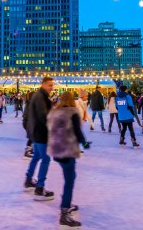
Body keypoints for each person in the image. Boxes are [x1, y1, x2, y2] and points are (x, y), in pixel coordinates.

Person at [47, 92, 91, 227]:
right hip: (67, 151)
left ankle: (66, 203)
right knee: (70, 180)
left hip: (57, 151)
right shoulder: (72, 113)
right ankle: (65, 212)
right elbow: (78, 132)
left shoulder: (54, 112)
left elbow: (49, 130)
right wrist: (84, 143)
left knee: (69, 177)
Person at [24, 77, 55, 201]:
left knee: (36, 156)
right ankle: (39, 187)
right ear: (43, 84)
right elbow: (44, 116)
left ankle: (28, 179)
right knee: (46, 159)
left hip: (35, 132)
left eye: (52, 85)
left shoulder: (39, 95)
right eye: (49, 85)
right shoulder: (40, 97)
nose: (51, 87)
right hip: (40, 132)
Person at [23, 91, 35, 159]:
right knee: (32, 137)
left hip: (28, 122)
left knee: (33, 137)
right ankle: (27, 151)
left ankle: (30, 149)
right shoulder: (30, 104)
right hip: (28, 122)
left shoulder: (30, 103)